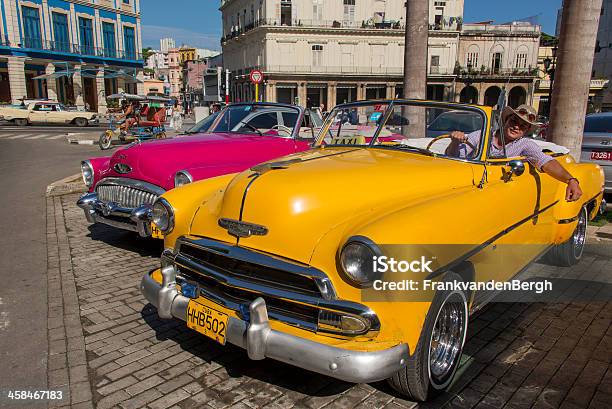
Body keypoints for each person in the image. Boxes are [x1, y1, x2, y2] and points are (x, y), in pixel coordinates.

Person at [446, 104, 582, 202]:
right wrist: (455, 142)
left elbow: (545, 161)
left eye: (523, 126)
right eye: (514, 121)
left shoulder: (525, 145)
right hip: (471, 184)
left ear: (527, 130)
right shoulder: (482, 136)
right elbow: (453, 159)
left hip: (502, 192)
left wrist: (571, 180)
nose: (516, 127)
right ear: (506, 120)